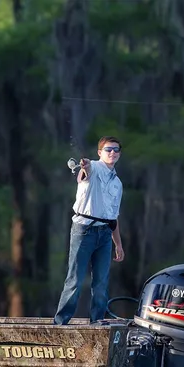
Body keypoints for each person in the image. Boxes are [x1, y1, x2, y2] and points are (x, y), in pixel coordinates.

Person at [54, 136, 125, 325]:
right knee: (74, 280)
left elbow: (113, 216)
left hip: (105, 234)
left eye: (116, 150)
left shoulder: (117, 184)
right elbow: (84, 172)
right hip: (83, 231)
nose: (112, 153)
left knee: (101, 283)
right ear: (100, 152)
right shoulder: (92, 167)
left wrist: (118, 244)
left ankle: (97, 322)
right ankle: (60, 323)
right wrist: (84, 165)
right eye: (108, 149)